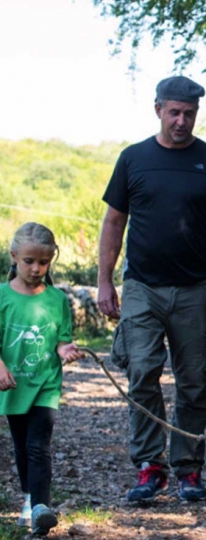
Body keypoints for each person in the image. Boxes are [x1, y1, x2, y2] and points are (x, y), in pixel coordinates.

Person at [97, 75, 206, 504]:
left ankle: (188, 469)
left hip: (192, 289)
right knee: (141, 372)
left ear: (196, 114)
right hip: (141, 287)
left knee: (193, 380)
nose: (181, 120)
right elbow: (114, 222)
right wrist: (103, 281)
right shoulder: (134, 159)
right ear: (158, 110)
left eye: (188, 113)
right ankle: (150, 466)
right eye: (174, 112)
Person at [1, 222, 84, 536]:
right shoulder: (1, 297)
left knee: (39, 446)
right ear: (14, 257)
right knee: (21, 445)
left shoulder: (57, 299)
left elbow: (62, 339)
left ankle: (40, 507)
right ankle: (28, 498)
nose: (36, 268)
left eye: (43, 262)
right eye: (29, 261)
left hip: (45, 384)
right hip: (13, 385)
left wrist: (66, 350)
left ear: (51, 260)